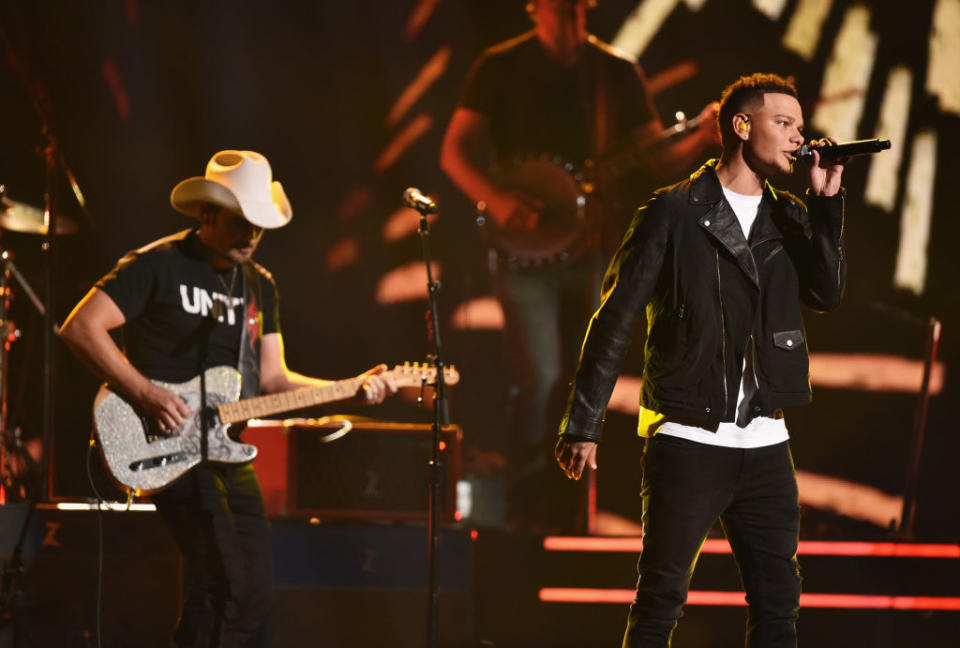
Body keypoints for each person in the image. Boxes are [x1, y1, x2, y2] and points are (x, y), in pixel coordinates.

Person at [59, 150, 398, 647]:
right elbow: (80, 328)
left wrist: (350, 389)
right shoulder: (157, 264)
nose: (252, 236)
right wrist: (147, 394)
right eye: (242, 222)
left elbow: (275, 381)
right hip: (162, 438)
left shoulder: (261, 287)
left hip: (224, 448)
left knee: (254, 593)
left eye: (260, 226)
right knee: (224, 582)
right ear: (207, 214)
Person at [554, 73, 848, 647]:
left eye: (800, 128)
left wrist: (827, 203)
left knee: (778, 605)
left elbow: (827, 293)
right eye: (783, 124)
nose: (797, 139)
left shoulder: (787, 216)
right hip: (688, 440)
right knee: (661, 600)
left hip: (765, 443)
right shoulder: (674, 211)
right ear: (742, 126)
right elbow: (612, 320)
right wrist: (584, 423)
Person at [440, 0, 718, 529]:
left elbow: (651, 157)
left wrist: (701, 139)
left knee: (584, 383)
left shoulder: (613, 72)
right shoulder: (500, 66)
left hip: (592, 252)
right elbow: (454, 152)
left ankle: (570, 513)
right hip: (525, 257)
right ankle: (522, 515)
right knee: (540, 376)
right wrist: (497, 201)